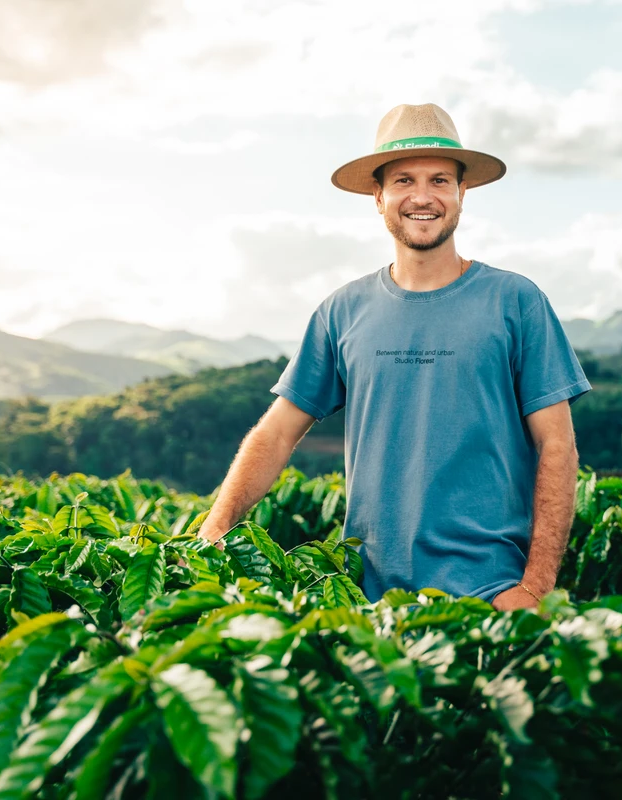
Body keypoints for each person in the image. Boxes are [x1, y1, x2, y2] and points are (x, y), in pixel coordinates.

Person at [196, 103, 591, 611]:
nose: (422, 197)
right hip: (367, 602)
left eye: (440, 181)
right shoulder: (341, 311)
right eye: (404, 180)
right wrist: (216, 525)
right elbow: (276, 434)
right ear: (378, 196)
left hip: (490, 595)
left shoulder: (516, 301)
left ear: (462, 193)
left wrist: (535, 586)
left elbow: (557, 447)